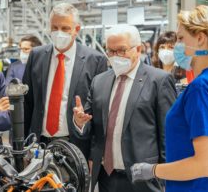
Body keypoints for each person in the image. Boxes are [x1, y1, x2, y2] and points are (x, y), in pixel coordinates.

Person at [130, 6, 208, 192]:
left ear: (200, 38)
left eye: (181, 38)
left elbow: (204, 165)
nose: (177, 45)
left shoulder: (201, 88)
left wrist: (153, 170)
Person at [73, 24, 176, 192]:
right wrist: (79, 123)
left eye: (121, 50)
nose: (115, 56)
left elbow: (168, 134)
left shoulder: (159, 81)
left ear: (138, 49)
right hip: (105, 176)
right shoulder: (99, 81)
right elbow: (89, 126)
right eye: (110, 51)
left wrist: (165, 178)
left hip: (144, 177)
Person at [23, 3, 108, 158]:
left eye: (65, 28)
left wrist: (93, 156)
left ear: (76, 29)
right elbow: (27, 102)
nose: (58, 33)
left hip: (75, 145)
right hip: (38, 144)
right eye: (54, 28)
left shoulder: (96, 60)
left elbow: (99, 112)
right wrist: (22, 144)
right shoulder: (36, 55)